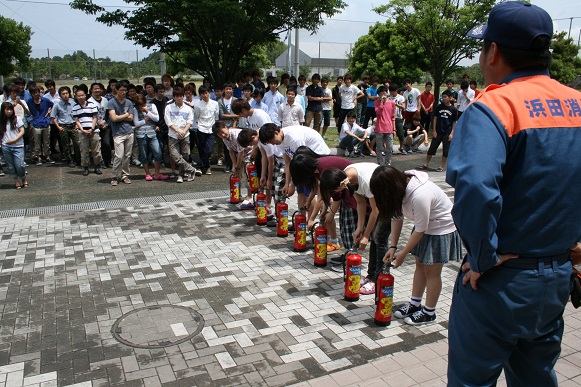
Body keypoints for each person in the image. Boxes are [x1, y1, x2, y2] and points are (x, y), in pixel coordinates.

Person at [446, 2, 581, 385]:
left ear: (493, 52)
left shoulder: (494, 106)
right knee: (536, 378)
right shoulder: (577, 104)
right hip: (557, 277)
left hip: (500, 280)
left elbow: (474, 185)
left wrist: (484, 256)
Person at [371, 165, 462, 325]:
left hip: (441, 229)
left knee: (432, 271)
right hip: (425, 227)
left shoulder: (420, 195)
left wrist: (403, 253)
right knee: (420, 266)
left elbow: (420, 229)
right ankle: (414, 303)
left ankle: (429, 312)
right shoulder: (400, 188)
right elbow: (397, 216)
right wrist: (393, 247)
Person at [319, 163, 391, 294]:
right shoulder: (346, 176)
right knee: (375, 238)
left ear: (340, 185)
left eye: (335, 191)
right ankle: (371, 276)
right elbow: (360, 202)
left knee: (379, 239)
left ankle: (378, 280)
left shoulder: (367, 181)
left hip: (388, 201)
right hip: (378, 202)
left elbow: (376, 211)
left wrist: (365, 235)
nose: (335, 194)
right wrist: (360, 228)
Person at [165, 87, 198, 182]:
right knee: (174, 155)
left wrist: (183, 132)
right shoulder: (168, 107)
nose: (179, 98)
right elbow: (168, 122)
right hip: (173, 135)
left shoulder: (188, 108)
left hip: (185, 134)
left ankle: (181, 174)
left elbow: (190, 121)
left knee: (185, 155)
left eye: (181, 96)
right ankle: (191, 169)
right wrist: (178, 131)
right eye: (177, 96)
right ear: (174, 97)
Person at [133, 94, 169, 181]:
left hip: (152, 133)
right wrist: (147, 119)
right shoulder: (135, 109)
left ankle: (157, 173)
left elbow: (157, 118)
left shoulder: (152, 105)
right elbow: (136, 123)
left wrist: (147, 112)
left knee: (158, 153)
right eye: (140, 105)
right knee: (143, 155)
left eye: (143, 104)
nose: (141, 107)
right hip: (141, 134)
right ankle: (147, 173)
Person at [419, 90, 457, 172]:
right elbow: (435, 118)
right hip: (438, 131)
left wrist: (452, 133)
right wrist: (434, 130)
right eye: (443, 97)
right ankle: (426, 163)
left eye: (445, 97)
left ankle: (441, 166)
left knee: (445, 150)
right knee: (432, 148)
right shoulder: (439, 107)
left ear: (450, 98)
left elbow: (454, 122)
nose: (444, 99)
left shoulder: (453, 109)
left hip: (447, 132)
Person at [107, 82, 135, 186]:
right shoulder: (111, 102)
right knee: (118, 156)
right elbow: (113, 118)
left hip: (129, 132)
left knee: (127, 156)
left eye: (125, 90)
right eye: (122, 90)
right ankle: (114, 176)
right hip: (118, 133)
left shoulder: (129, 102)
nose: (124, 92)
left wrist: (121, 116)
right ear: (117, 90)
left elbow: (131, 118)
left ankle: (125, 175)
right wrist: (125, 115)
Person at [72, 88, 103, 176]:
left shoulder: (92, 105)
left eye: (82, 95)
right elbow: (77, 120)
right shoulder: (75, 107)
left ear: (85, 95)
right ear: (76, 97)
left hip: (94, 130)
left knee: (96, 150)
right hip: (82, 132)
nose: (81, 97)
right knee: (84, 150)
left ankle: (97, 166)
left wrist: (92, 128)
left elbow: (95, 117)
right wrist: (82, 129)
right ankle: (85, 167)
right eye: (79, 96)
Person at [51, 86, 80, 168]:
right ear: (60, 95)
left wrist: (77, 125)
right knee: (66, 145)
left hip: (73, 125)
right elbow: (53, 117)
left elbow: (78, 114)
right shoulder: (57, 105)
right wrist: (58, 127)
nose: (65, 95)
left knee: (77, 143)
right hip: (63, 126)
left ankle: (78, 159)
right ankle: (69, 160)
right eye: (63, 94)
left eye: (67, 93)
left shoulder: (74, 103)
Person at [0, 102, 27, 189]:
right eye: (7, 109)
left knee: (20, 165)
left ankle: (23, 178)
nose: (9, 112)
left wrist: (14, 140)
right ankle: (16, 181)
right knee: (10, 165)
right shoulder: (1, 121)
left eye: (10, 109)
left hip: (18, 145)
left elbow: (22, 131)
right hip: (6, 146)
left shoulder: (17, 119)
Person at [194, 86, 220, 175]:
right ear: (200, 95)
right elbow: (196, 117)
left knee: (209, 150)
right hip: (201, 128)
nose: (205, 95)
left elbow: (216, 117)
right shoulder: (197, 105)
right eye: (202, 94)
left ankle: (200, 166)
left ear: (209, 93)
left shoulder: (215, 104)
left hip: (211, 129)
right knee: (202, 149)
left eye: (206, 93)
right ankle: (207, 167)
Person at [26, 86, 54, 165]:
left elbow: (52, 105)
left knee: (46, 141)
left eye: (37, 92)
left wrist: (49, 112)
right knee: (36, 141)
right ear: (31, 94)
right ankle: (38, 157)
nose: (36, 94)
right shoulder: (29, 102)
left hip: (45, 123)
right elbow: (27, 112)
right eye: (34, 93)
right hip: (35, 123)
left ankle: (47, 156)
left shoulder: (45, 100)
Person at [374, 85, 396, 165]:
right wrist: (382, 103)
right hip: (379, 128)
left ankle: (388, 163)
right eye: (380, 94)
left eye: (384, 93)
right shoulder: (376, 103)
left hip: (389, 128)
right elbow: (378, 114)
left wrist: (394, 129)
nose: (382, 96)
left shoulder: (392, 103)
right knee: (379, 148)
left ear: (387, 93)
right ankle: (380, 164)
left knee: (389, 148)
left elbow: (393, 117)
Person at [388, 84, 406, 155]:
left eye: (393, 91)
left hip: (398, 117)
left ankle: (401, 147)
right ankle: (390, 148)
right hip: (389, 117)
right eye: (390, 91)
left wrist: (397, 105)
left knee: (400, 134)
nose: (392, 93)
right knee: (390, 134)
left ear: (396, 91)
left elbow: (403, 107)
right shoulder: (388, 97)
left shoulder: (401, 98)